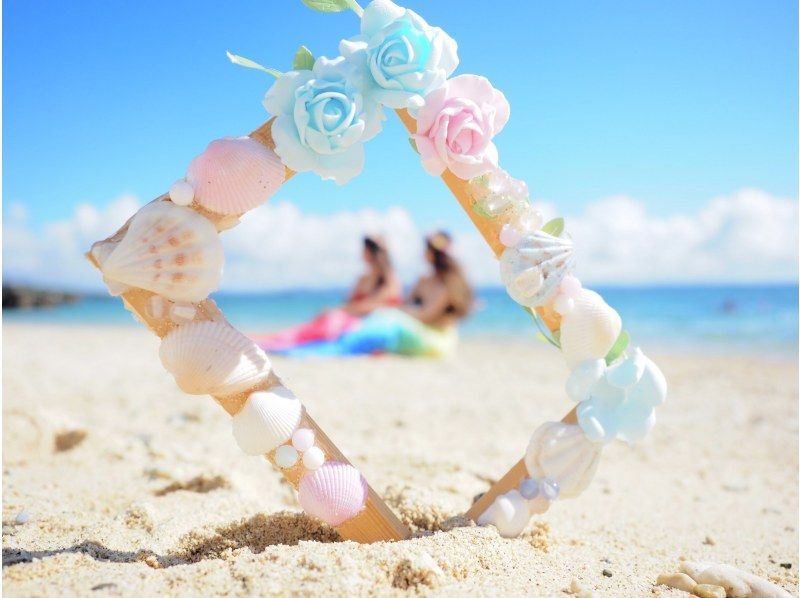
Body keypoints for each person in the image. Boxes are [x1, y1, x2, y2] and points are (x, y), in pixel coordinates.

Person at [279, 231, 474, 358]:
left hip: (435, 340)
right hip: (414, 328)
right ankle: (319, 348)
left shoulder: (447, 286)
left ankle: (322, 351)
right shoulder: (424, 281)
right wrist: (395, 310)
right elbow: (406, 305)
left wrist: (394, 310)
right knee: (384, 320)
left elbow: (425, 315)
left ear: (433, 254)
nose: (423, 253)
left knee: (387, 321)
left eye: (426, 249)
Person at [255, 235, 402, 351]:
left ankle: (273, 341)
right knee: (314, 326)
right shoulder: (363, 279)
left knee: (329, 323)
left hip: (363, 324)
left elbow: (372, 306)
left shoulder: (390, 281)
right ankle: (271, 339)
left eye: (365, 250)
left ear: (372, 253)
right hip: (351, 318)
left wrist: (337, 310)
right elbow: (352, 304)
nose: (362, 254)